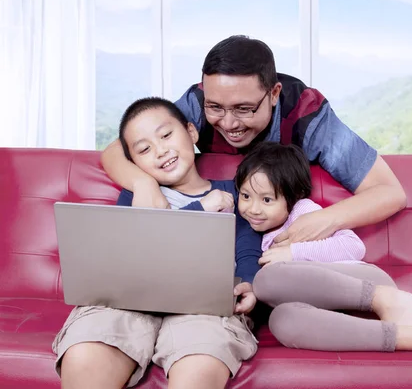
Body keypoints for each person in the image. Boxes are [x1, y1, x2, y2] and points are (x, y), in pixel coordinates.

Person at [100, 35, 407, 250]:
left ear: (274, 94)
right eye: (215, 108)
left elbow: (389, 192)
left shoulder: (307, 114)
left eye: (244, 109)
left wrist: (325, 219)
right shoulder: (196, 103)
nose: (228, 123)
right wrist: (144, 185)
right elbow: (120, 148)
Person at [53, 97, 262, 389]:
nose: (161, 151)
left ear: (191, 132)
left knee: (200, 360)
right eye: (144, 149)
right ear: (134, 162)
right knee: (87, 351)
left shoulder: (233, 193)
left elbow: (248, 244)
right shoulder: (136, 197)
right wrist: (201, 209)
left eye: (166, 135)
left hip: (205, 307)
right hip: (129, 302)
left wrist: (251, 281)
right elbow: (134, 257)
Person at [234, 142, 412, 370]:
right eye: (245, 196)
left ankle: (384, 300)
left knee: (267, 280)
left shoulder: (302, 211)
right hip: (334, 311)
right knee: (282, 321)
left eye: (267, 199)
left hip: (365, 284)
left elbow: (353, 247)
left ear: (293, 196)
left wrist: (292, 252)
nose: (253, 209)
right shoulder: (255, 233)